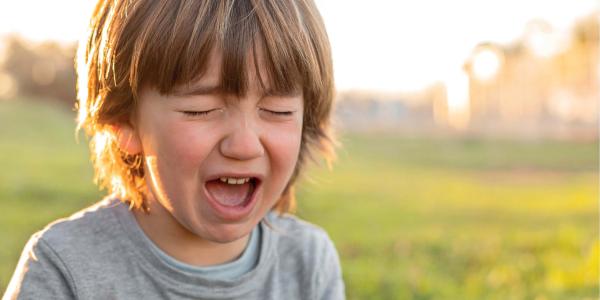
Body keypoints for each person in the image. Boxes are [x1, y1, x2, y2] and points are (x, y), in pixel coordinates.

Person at [3, 0, 344, 299]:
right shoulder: (66, 269)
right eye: (201, 109)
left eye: (278, 112)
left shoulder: (308, 261)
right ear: (123, 122)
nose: (243, 145)